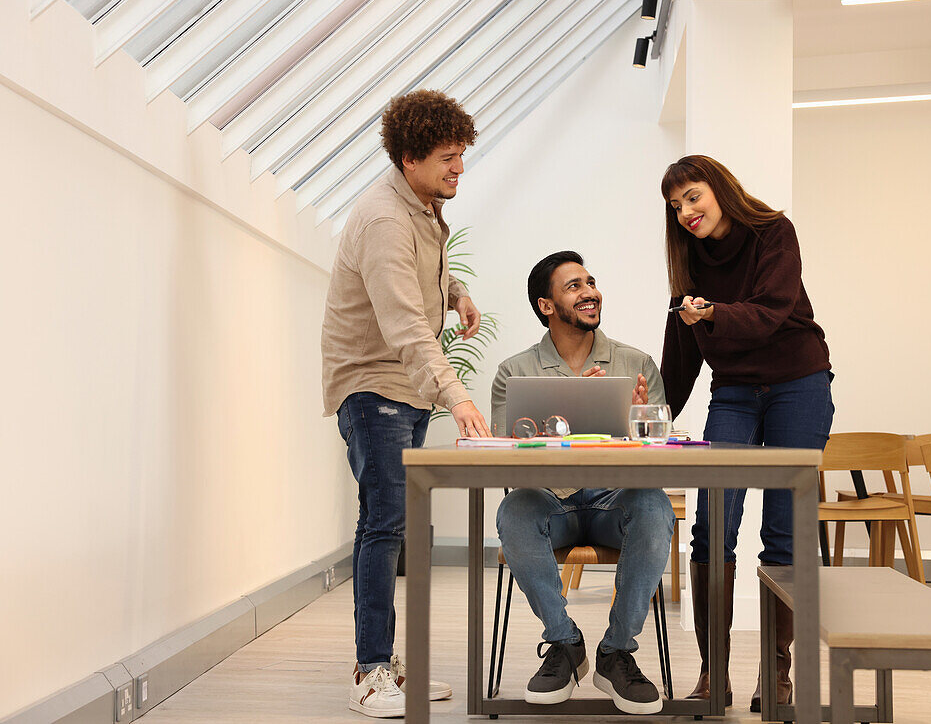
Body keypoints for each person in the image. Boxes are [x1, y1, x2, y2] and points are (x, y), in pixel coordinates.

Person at [321, 89, 491, 719]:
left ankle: (388, 662)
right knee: (384, 524)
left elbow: (422, 279)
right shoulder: (385, 219)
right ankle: (369, 674)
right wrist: (459, 395)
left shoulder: (418, 207)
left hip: (402, 387)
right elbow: (404, 328)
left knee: (397, 526)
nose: (459, 168)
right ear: (411, 157)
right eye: (449, 157)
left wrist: (455, 291)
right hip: (373, 387)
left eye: (461, 155)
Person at [658, 155, 834, 711]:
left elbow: (772, 310)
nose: (685, 211)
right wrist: (651, 412)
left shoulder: (773, 233)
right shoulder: (687, 262)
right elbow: (683, 356)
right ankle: (715, 674)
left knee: (783, 532)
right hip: (733, 390)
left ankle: (778, 675)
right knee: (711, 527)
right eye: (675, 205)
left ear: (719, 188)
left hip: (797, 383)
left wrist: (709, 315)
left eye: (692, 196)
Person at [491, 251, 674, 715]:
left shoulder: (636, 363)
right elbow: (505, 457)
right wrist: (562, 427)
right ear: (546, 305)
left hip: (617, 501)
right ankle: (564, 642)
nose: (590, 291)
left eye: (590, 282)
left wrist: (635, 422)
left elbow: (661, 452)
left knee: (654, 506)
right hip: (553, 503)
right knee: (514, 510)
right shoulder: (514, 373)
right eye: (574, 286)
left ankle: (615, 652)